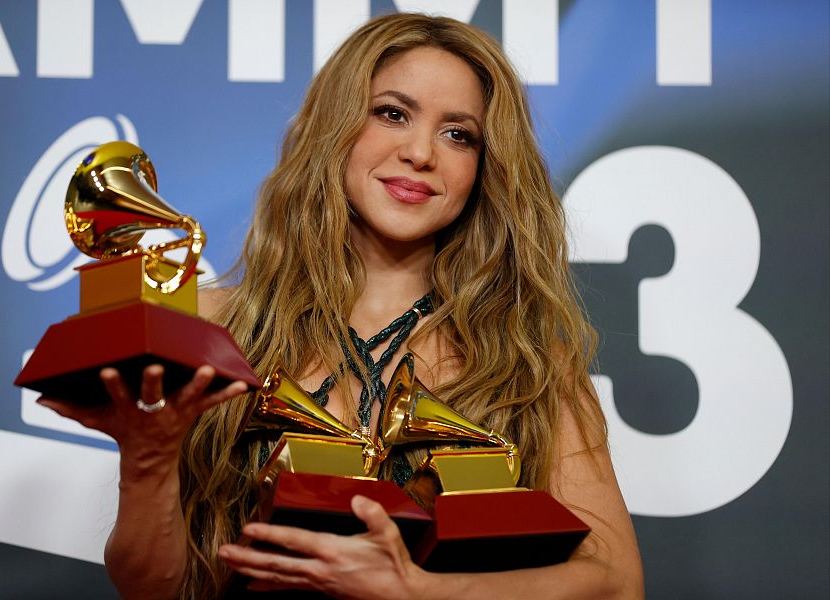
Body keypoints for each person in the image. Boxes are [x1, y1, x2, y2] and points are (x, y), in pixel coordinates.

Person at [40, 12, 643, 600]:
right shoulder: (210, 325)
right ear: (336, 127)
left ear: (483, 169)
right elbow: (151, 587)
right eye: (392, 113)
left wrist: (419, 592)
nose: (421, 153)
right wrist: (146, 463)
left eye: (458, 134)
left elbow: (616, 582)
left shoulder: (529, 361)